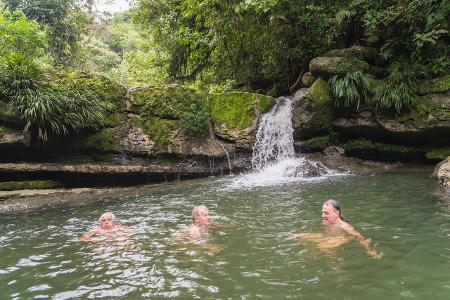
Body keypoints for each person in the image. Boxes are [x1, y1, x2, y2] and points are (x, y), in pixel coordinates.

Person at [295, 199, 382, 259]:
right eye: (322, 213)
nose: (323, 216)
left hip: (340, 238)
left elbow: (360, 237)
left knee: (322, 246)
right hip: (327, 237)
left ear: (336, 213)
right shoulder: (326, 222)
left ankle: (334, 266)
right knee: (298, 236)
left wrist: (370, 250)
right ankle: (310, 253)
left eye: (326, 213)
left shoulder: (344, 226)